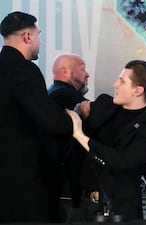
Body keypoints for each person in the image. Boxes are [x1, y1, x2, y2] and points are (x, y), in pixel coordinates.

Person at [66, 60, 146, 221]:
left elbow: (121, 161)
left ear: (138, 90)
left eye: (122, 81)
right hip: (85, 201)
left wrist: (79, 134)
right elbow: (80, 111)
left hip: (121, 208)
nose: (115, 85)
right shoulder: (104, 105)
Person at [0, 11, 73, 222]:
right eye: (39, 35)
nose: (40, 42)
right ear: (27, 37)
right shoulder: (24, 70)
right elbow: (48, 119)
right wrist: (72, 119)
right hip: (24, 179)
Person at [45, 53, 90, 221]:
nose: (87, 74)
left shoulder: (56, 93)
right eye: (82, 69)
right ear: (65, 71)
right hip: (68, 183)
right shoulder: (65, 95)